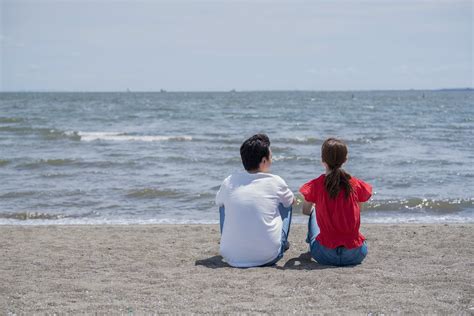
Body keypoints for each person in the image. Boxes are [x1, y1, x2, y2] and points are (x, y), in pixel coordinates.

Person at [215, 134, 295, 268]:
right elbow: (290, 202)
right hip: (269, 257)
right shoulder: (275, 181)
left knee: (223, 204)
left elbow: (218, 202)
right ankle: (282, 241)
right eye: (270, 156)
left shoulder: (229, 181)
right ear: (264, 161)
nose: (272, 158)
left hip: (230, 256)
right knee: (288, 203)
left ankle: (235, 241)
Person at [299, 137, 372, 266]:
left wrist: (319, 209)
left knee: (313, 211)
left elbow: (305, 211)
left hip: (324, 254)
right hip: (355, 254)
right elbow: (359, 209)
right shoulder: (355, 184)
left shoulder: (316, 185)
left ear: (323, 160)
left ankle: (311, 243)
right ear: (345, 160)